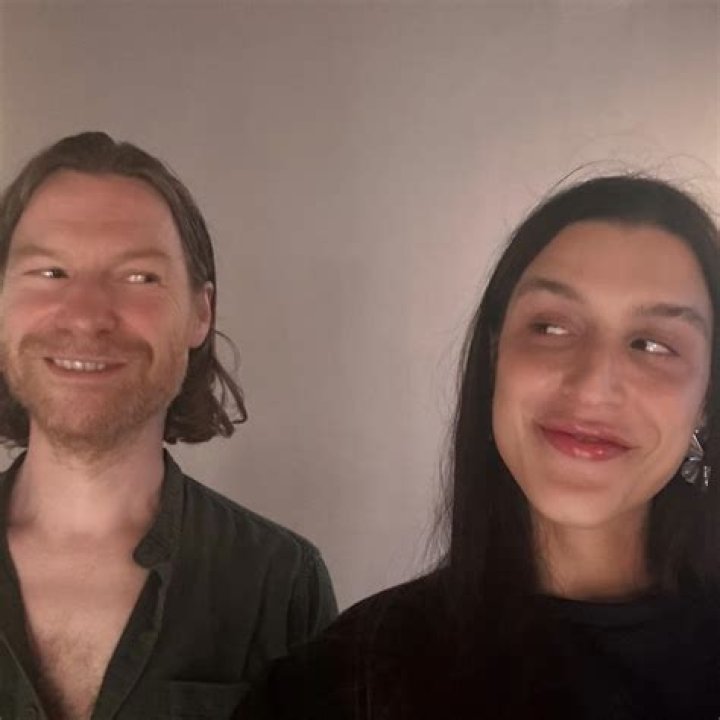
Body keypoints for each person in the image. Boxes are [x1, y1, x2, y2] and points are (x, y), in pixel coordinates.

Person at [239, 175, 720, 720]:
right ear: (495, 357)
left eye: (653, 344)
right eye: (551, 327)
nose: (592, 386)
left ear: (707, 397)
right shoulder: (336, 685)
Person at [0, 132, 337, 720]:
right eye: (50, 272)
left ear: (200, 313)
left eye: (139, 278)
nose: (86, 316)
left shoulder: (281, 582)